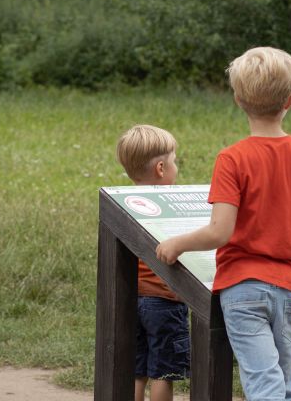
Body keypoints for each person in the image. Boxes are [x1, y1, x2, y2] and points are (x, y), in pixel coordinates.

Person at [155, 46, 291, 401]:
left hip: (244, 287)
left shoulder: (232, 158)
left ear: (238, 99)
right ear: (290, 100)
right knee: (284, 385)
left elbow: (220, 231)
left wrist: (176, 243)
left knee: (264, 385)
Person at [115, 124, 190, 401]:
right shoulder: (171, 205)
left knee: (137, 370)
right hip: (166, 301)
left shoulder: (125, 203)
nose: (175, 167)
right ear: (161, 168)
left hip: (133, 299)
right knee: (163, 371)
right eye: (174, 161)